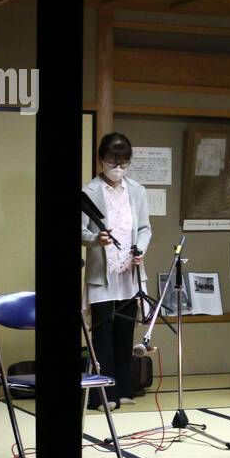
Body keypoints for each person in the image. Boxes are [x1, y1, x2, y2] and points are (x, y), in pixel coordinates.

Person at [81, 132, 152, 411]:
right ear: (101, 159)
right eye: (113, 161)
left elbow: (145, 228)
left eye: (124, 162)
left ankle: (124, 389)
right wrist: (95, 239)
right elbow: (80, 231)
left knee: (124, 332)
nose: (118, 167)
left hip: (129, 272)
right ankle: (102, 395)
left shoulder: (137, 190)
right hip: (102, 272)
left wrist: (141, 249)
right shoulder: (89, 191)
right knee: (102, 335)